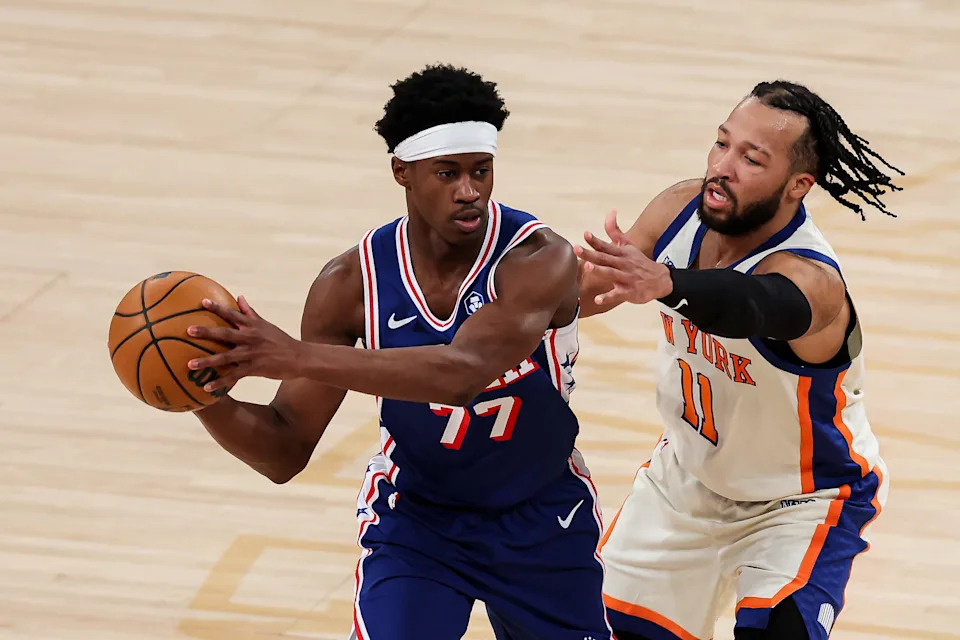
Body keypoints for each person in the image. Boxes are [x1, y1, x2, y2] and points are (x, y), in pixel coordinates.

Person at [185, 64, 614, 640]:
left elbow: (461, 374)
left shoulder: (537, 258)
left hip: (541, 516)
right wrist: (195, 391)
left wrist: (293, 356)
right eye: (448, 173)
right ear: (402, 172)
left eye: (481, 171)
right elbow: (284, 450)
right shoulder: (350, 282)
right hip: (418, 518)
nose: (471, 191)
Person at [575, 80, 901, 640]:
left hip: (802, 498)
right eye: (721, 144)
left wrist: (670, 284)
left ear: (798, 185)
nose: (722, 167)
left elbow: (751, 306)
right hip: (684, 485)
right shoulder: (680, 209)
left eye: (752, 158)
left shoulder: (811, 279)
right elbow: (590, 291)